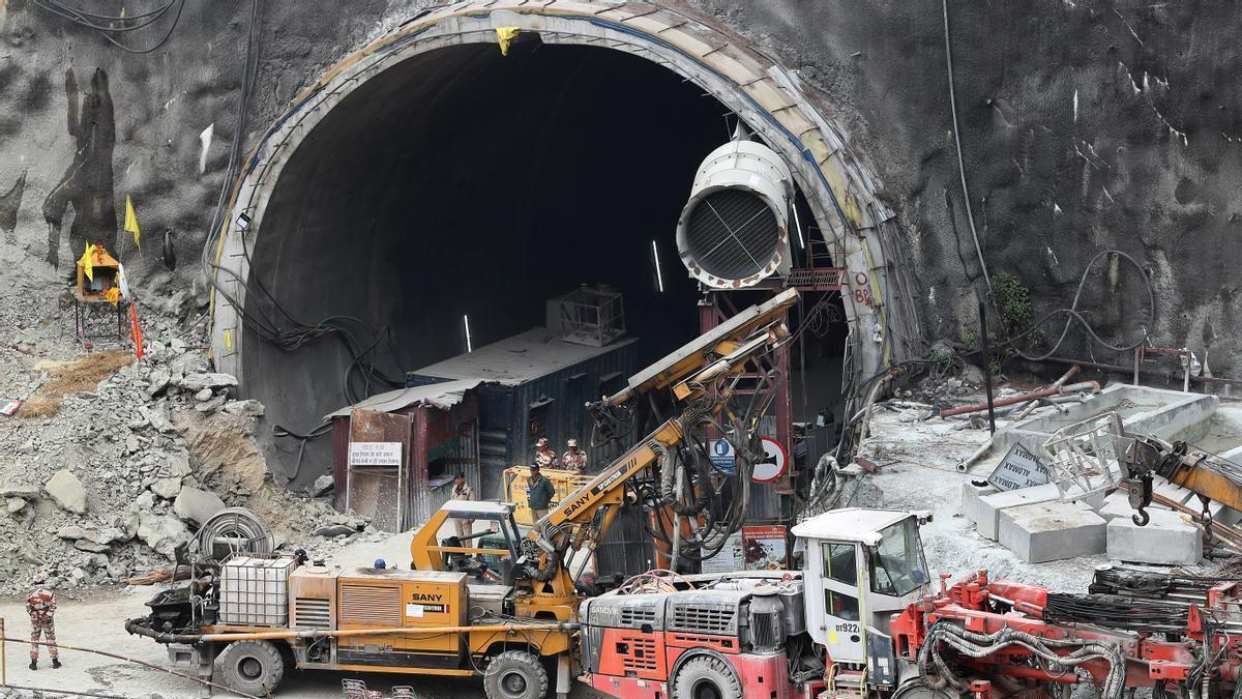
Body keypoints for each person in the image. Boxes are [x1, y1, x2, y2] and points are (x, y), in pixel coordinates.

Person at [26, 587, 60, 670]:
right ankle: (55, 661)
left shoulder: (31, 593)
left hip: (35, 619)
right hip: (47, 619)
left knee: (34, 640)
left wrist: (34, 615)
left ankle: (33, 663)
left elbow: (28, 607)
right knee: (50, 639)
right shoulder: (49, 592)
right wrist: (47, 615)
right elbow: (53, 606)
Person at [451, 473, 475, 539]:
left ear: (463, 479)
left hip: (465, 517)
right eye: (456, 479)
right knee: (459, 537)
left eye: (458, 478)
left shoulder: (469, 489)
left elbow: (472, 504)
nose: (456, 480)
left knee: (467, 538)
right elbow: (452, 501)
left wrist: (471, 518)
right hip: (456, 516)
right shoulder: (454, 489)